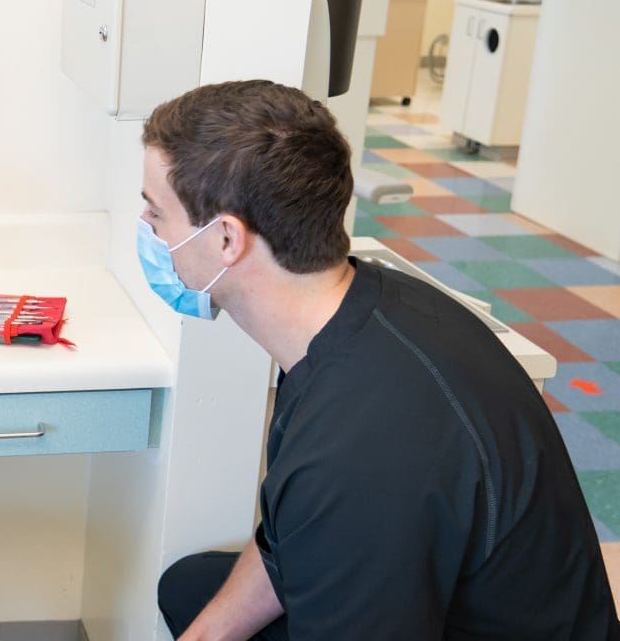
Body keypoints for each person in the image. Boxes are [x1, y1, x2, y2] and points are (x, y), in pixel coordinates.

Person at [139, 80, 619, 640]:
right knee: (191, 590)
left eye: (156, 213)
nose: (147, 230)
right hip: (430, 584)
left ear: (227, 239)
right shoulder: (364, 309)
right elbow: (285, 540)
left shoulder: (358, 455)